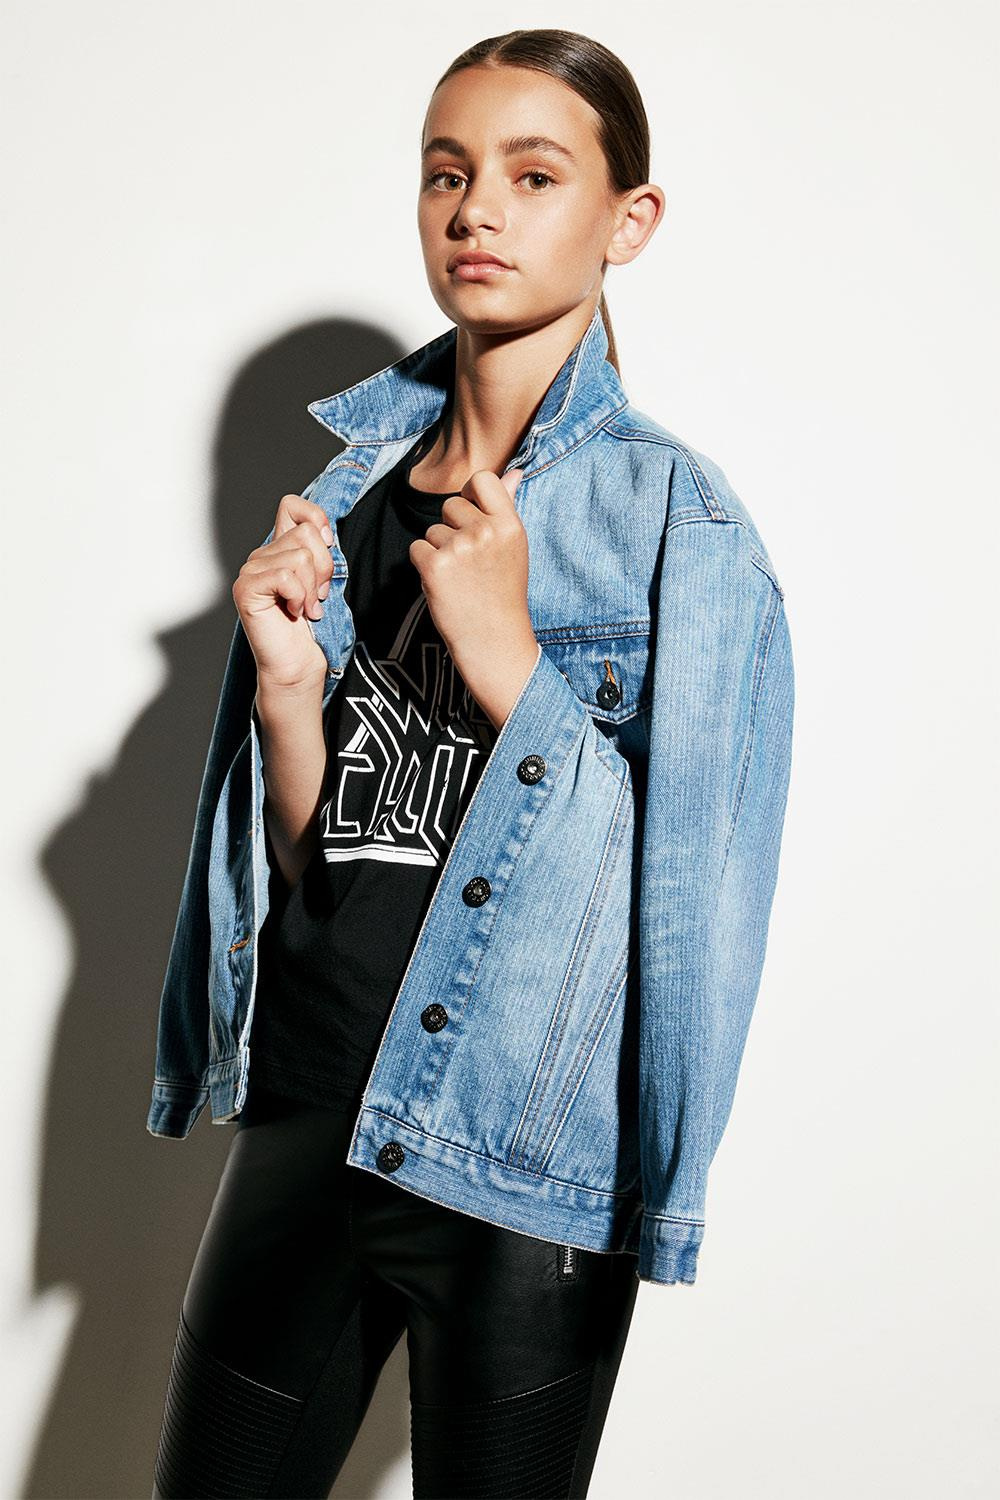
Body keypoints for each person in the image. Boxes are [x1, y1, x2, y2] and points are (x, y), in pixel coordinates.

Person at [149, 26, 794, 1500]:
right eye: (448, 173)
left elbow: (691, 899)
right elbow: (329, 861)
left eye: (533, 173)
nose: (478, 210)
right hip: (310, 1111)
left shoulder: (679, 530)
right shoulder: (347, 495)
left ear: (629, 220)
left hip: (522, 1165)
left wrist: (510, 661)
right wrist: (291, 693)